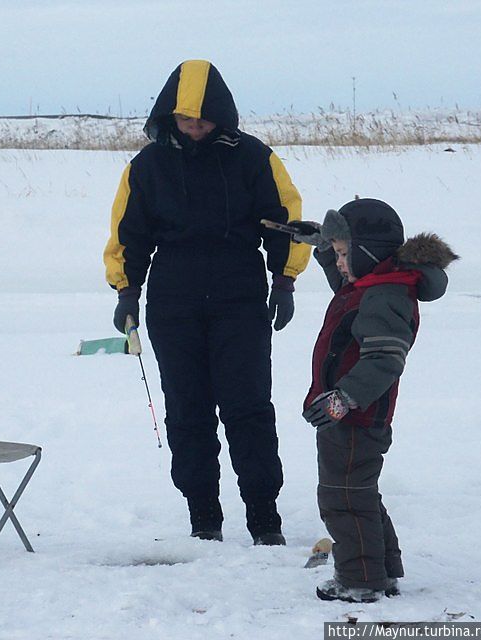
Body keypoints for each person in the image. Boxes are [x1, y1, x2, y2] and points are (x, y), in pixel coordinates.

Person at [103, 60, 311, 545]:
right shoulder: (146, 167)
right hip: (173, 300)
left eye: (201, 120)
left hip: (239, 297)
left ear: (221, 115)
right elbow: (128, 234)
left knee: (248, 407)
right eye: (184, 121)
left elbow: (286, 219)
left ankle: (264, 518)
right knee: (187, 410)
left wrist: (284, 281)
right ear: (168, 117)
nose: (193, 129)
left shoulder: (255, 158)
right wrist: (126, 291)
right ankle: (204, 519)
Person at [289, 198, 458, 602]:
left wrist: (343, 399)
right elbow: (346, 284)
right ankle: (383, 569)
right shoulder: (372, 285)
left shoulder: (386, 295)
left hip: (355, 416)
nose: (341, 262)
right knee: (359, 491)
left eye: (345, 253)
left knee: (341, 496)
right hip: (350, 413)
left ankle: (360, 580)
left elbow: (385, 359)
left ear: (367, 252)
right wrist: (325, 246)